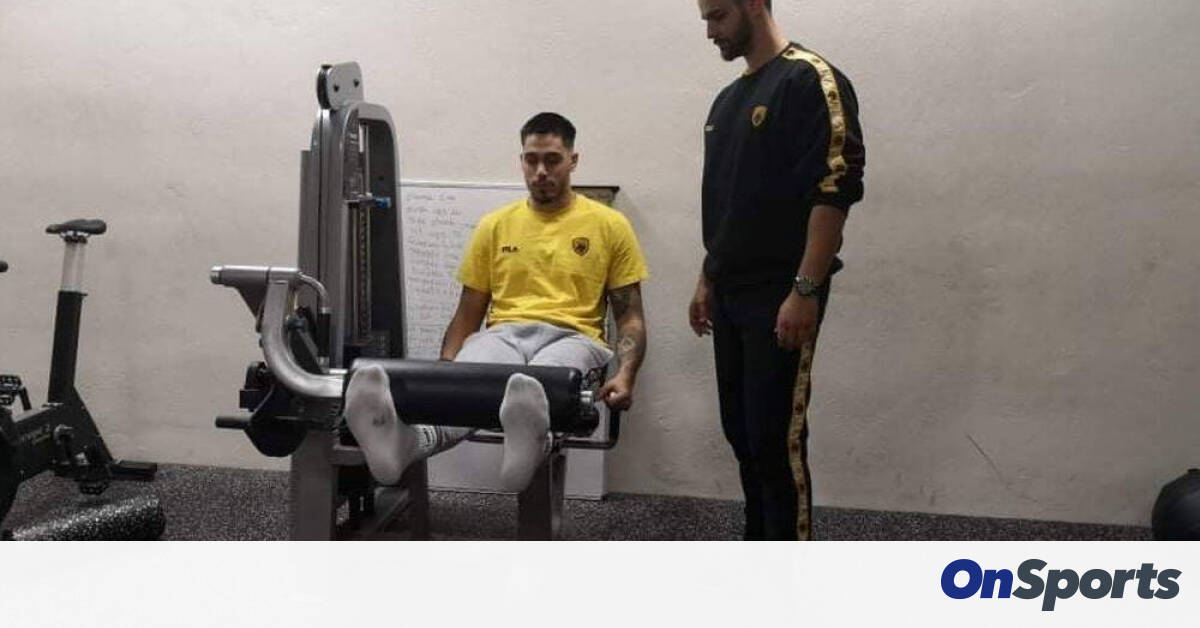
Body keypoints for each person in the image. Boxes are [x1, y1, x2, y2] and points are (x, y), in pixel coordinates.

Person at [345, 112, 649, 492]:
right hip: (504, 335)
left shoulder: (609, 225)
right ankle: (405, 444)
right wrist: (445, 377)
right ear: (521, 160)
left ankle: (534, 443)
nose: (540, 171)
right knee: (469, 387)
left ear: (573, 160)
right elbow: (468, 312)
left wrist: (626, 374)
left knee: (537, 387)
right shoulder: (495, 225)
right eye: (531, 160)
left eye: (552, 160)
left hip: (575, 339)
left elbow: (630, 316)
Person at [690, 0, 865, 540]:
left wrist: (805, 289)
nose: (710, 31)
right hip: (730, 291)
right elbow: (729, 202)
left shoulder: (808, 80)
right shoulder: (727, 101)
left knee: (776, 438)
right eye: (705, 19)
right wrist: (707, 277)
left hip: (782, 291)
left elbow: (834, 189)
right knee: (742, 433)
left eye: (718, 16)